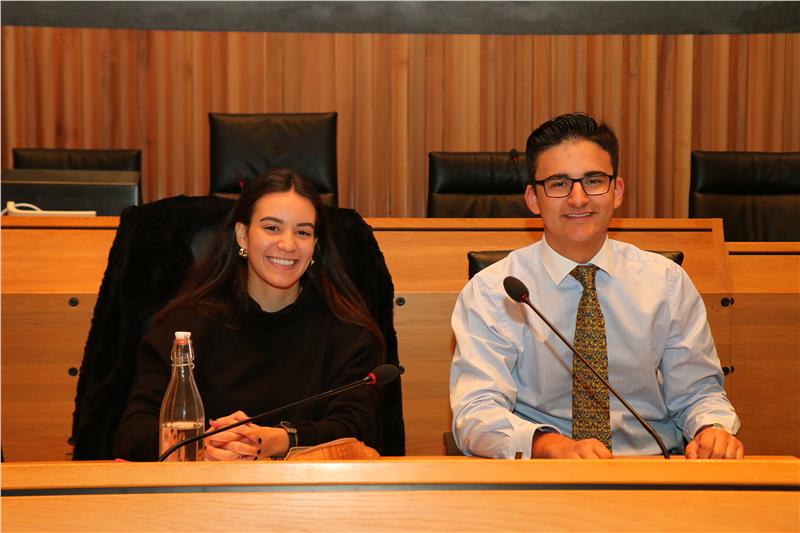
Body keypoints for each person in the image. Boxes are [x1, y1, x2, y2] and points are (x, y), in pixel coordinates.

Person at [450, 112, 744, 459]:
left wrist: (712, 428)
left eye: (593, 181)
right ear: (533, 198)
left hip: (652, 469)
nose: (578, 199)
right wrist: (550, 446)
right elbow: (476, 412)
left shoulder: (666, 283)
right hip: (544, 471)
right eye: (559, 184)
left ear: (616, 191)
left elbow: (697, 392)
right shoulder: (493, 292)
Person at [113, 169, 385, 461]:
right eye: (272, 228)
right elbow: (133, 433)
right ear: (243, 235)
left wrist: (279, 440)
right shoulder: (184, 326)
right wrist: (203, 447)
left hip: (308, 488)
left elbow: (357, 429)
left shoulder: (348, 332)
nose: (288, 244)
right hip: (204, 486)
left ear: (314, 247)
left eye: (303, 232)